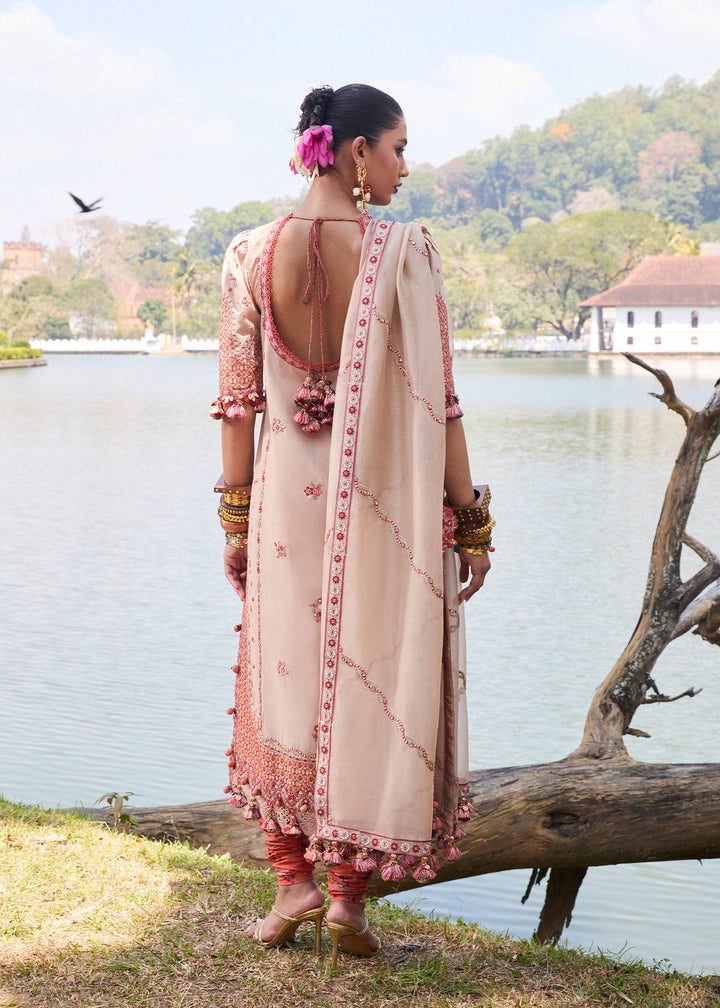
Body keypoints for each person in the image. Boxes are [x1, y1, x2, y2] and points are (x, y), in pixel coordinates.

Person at [211, 83, 493, 966]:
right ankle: (345, 901)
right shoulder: (404, 257)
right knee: (369, 690)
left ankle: (292, 881)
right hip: (381, 516)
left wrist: (235, 520)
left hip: (284, 512)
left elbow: (238, 406)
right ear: (355, 150)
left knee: (285, 688)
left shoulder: (250, 255)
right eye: (399, 147)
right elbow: (442, 406)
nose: (406, 166)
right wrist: (472, 522)